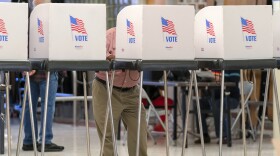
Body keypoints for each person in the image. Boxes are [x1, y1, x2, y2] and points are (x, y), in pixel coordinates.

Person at [92, 27, 148, 156]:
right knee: (108, 137)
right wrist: (110, 58)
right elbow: (95, 56)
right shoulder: (110, 35)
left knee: (139, 134)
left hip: (132, 92)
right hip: (106, 89)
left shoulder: (143, 37)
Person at [22, 0, 64, 152]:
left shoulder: (28, 19)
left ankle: (28, 140)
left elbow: (22, 43)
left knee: (29, 106)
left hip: (32, 68)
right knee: (48, 106)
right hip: (47, 69)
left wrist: (25, 65)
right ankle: (45, 141)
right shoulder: (52, 20)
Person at [194, 70, 240, 144]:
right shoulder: (213, 69)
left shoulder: (232, 66)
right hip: (215, 97)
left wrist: (220, 80)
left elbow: (233, 83)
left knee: (218, 103)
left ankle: (224, 136)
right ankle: (204, 135)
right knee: (199, 104)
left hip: (231, 98)